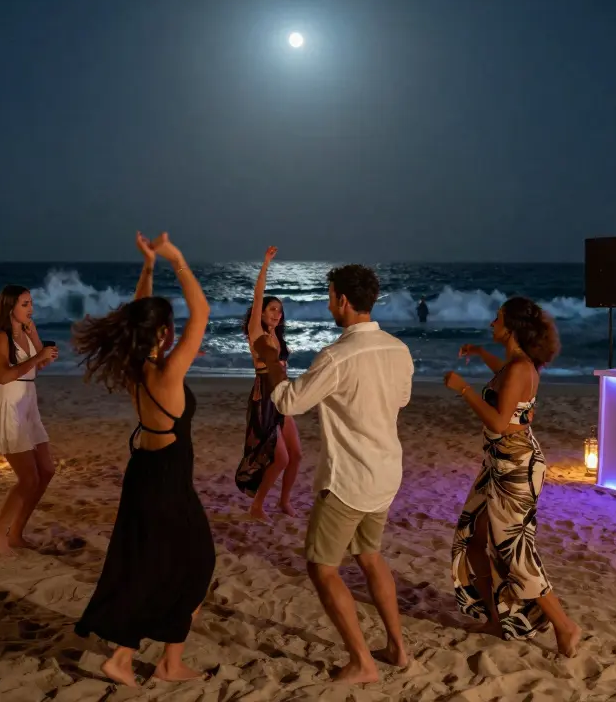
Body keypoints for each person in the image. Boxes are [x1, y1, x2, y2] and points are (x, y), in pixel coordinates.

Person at [254, 264, 413, 684]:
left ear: (342, 300)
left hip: (348, 480)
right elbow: (402, 398)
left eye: (329, 297)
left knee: (322, 568)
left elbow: (289, 402)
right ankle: (397, 647)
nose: (328, 304)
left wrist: (272, 362)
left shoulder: (337, 355)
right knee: (368, 555)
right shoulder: (398, 349)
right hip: (385, 471)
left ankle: (362, 661)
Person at [71, 232, 214, 687]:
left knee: (159, 564)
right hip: (168, 481)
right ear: (163, 333)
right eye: (170, 328)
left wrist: (149, 267)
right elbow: (203, 314)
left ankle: (170, 662)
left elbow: (140, 312)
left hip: (144, 474)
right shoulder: (169, 372)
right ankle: (123, 657)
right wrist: (178, 259)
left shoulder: (137, 365)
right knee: (191, 565)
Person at [445, 297, 582, 657]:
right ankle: (495, 617)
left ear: (512, 328)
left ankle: (565, 626)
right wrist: (478, 351)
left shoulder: (521, 369)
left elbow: (497, 421)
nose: (492, 322)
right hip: (497, 463)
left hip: (514, 468)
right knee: (472, 537)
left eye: (497, 318)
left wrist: (463, 389)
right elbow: (504, 378)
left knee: (515, 553)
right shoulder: (516, 365)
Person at [0, 285, 60, 555]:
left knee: (46, 471)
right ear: (10, 307)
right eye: (25, 304)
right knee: (27, 479)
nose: (31, 308)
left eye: (31, 303)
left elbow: (39, 364)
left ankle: (16, 532)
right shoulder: (0, 337)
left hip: (29, 405)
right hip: (10, 406)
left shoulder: (28, 330)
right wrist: (38, 356)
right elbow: (3, 376)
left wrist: (45, 353)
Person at [235, 245, 303, 521]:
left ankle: (283, 502)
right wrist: (265, 264)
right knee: (281, 458)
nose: (277, 314)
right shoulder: (256, 334)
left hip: (282, 399)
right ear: (261, 313)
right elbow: (258, 293)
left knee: (296, 455)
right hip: (264, 400)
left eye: (280, 311)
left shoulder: (278, 338)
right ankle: (257, 504)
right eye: (272, 309)